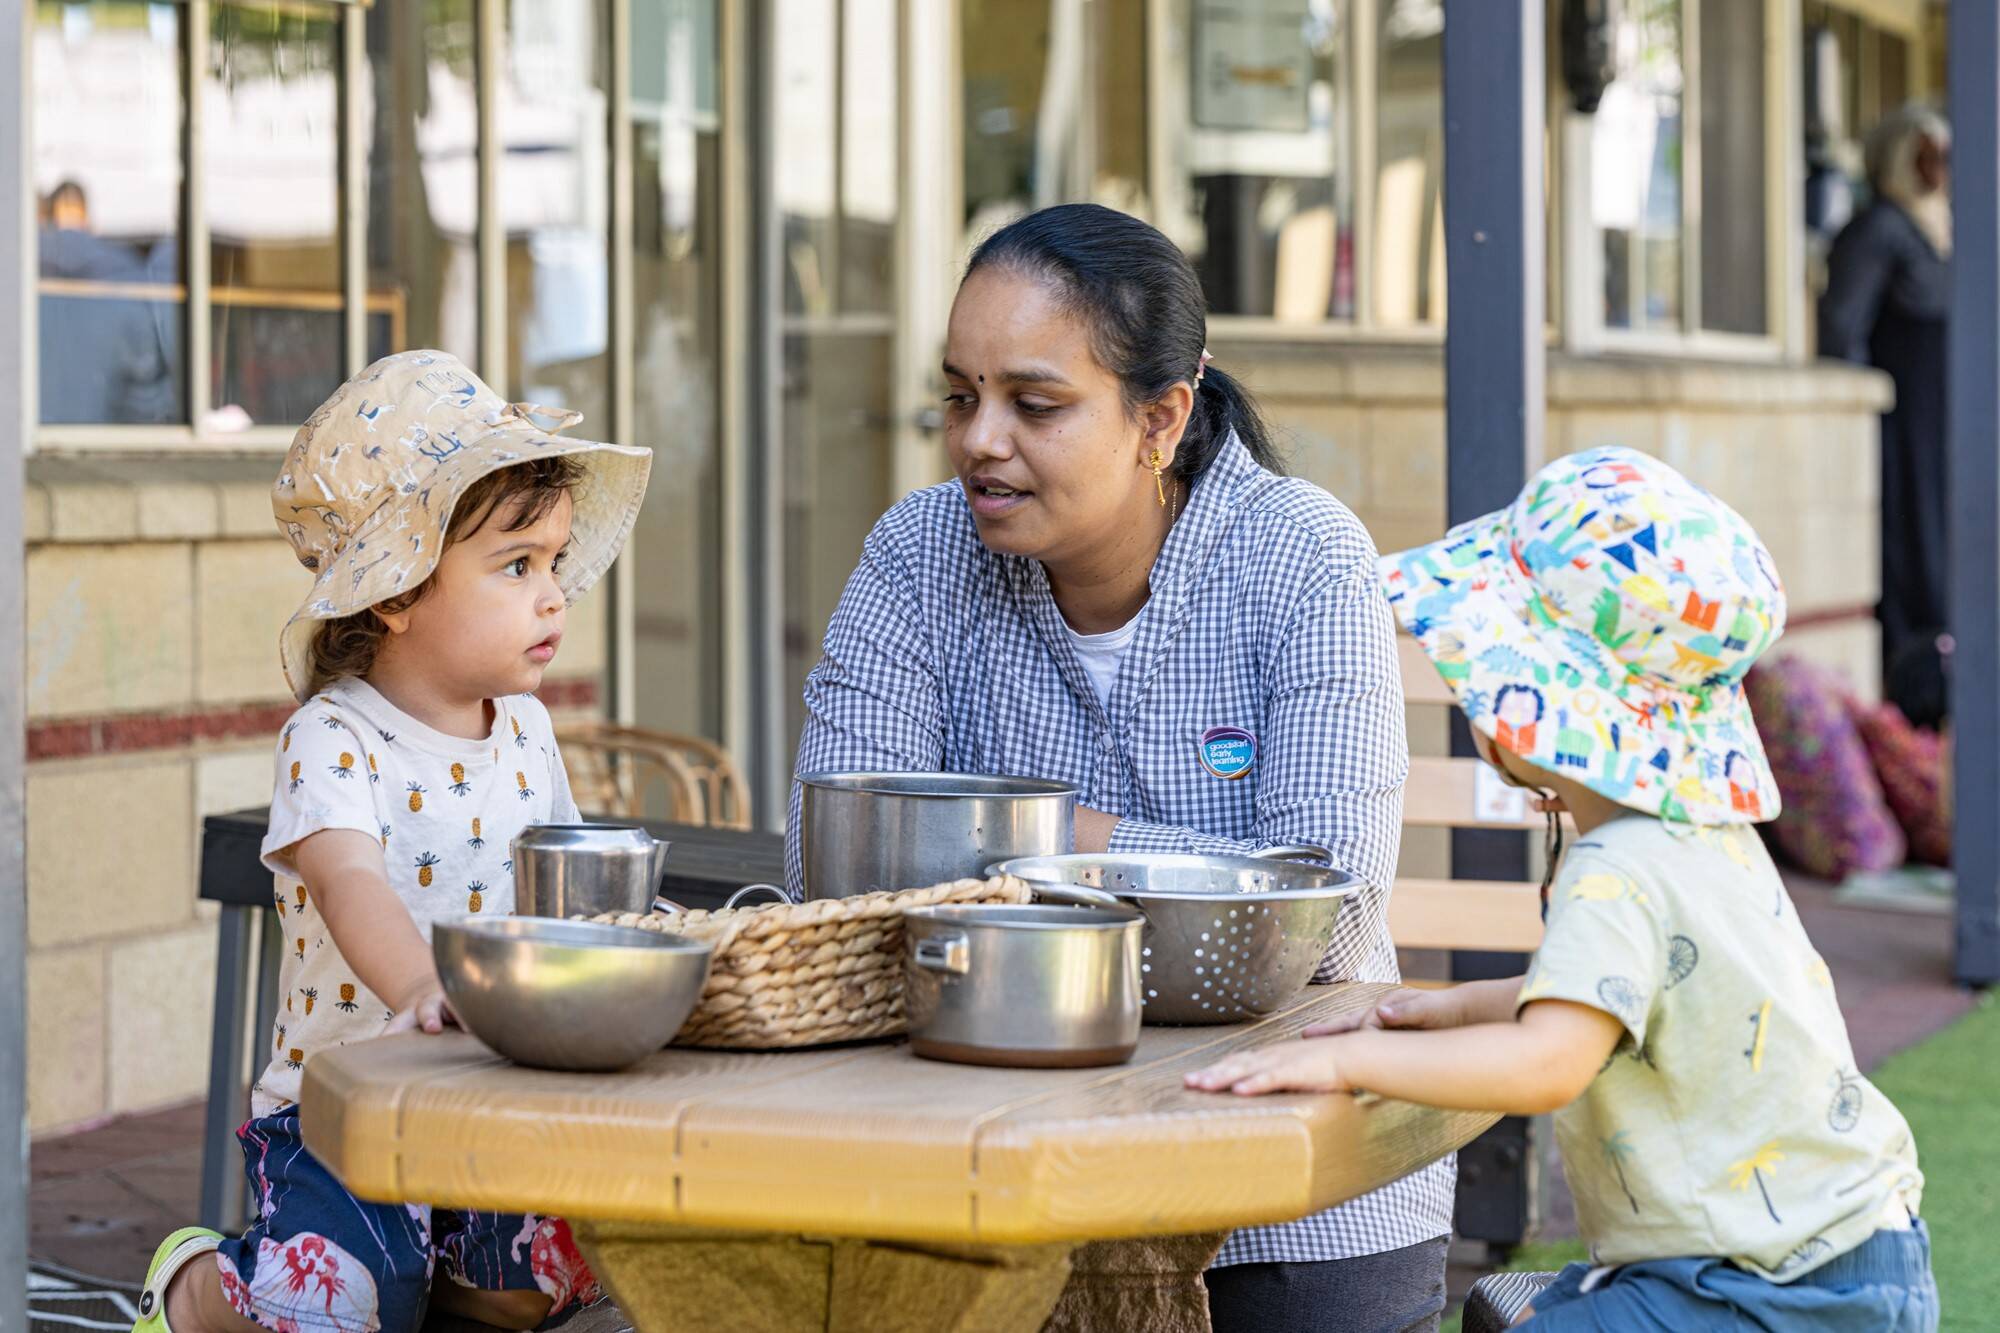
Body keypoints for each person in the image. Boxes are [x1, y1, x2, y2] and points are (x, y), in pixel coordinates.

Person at [788, 203, 1448, 1331]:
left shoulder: (1301, 557)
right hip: (996, 1173)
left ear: (1161, 417)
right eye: (961, 395)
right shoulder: (916, 554)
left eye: (1034, 404)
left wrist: (1022, 840)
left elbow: (1328, 915)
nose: (979, 440)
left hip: (1286, 1195)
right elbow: (834, 869)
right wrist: (1197, 879)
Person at [1189, 448, 1937, 1330]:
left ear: (1535, 706)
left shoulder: (1615, 868)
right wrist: (1454, 1006)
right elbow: (1629, 993)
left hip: (1764, 1282)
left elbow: (1547, 1062)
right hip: (1845, 1245)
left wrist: (1344, 1062)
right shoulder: (1700, 834)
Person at [131, 350, 652, 1333]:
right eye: (517, 566)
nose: (553, 595)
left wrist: (634, 934)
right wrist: (420, 984)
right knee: (341, 1301)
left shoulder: (527, 730)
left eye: (554, 562)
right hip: (346, 1108)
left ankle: (437, 1275)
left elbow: (567, 885)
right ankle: (199, 1289)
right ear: (396, 592)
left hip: (489, 1090)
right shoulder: (333, 738)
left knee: (552, 1272)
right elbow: (350, 882)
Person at [1820, 103, 1953, 728]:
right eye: (1929, 157)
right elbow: (1842, 330)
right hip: (1903, 430)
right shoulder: (1880, 230)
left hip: (1942, 427)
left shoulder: (1935, 228)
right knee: (1912, 545)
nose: (1941, 170)